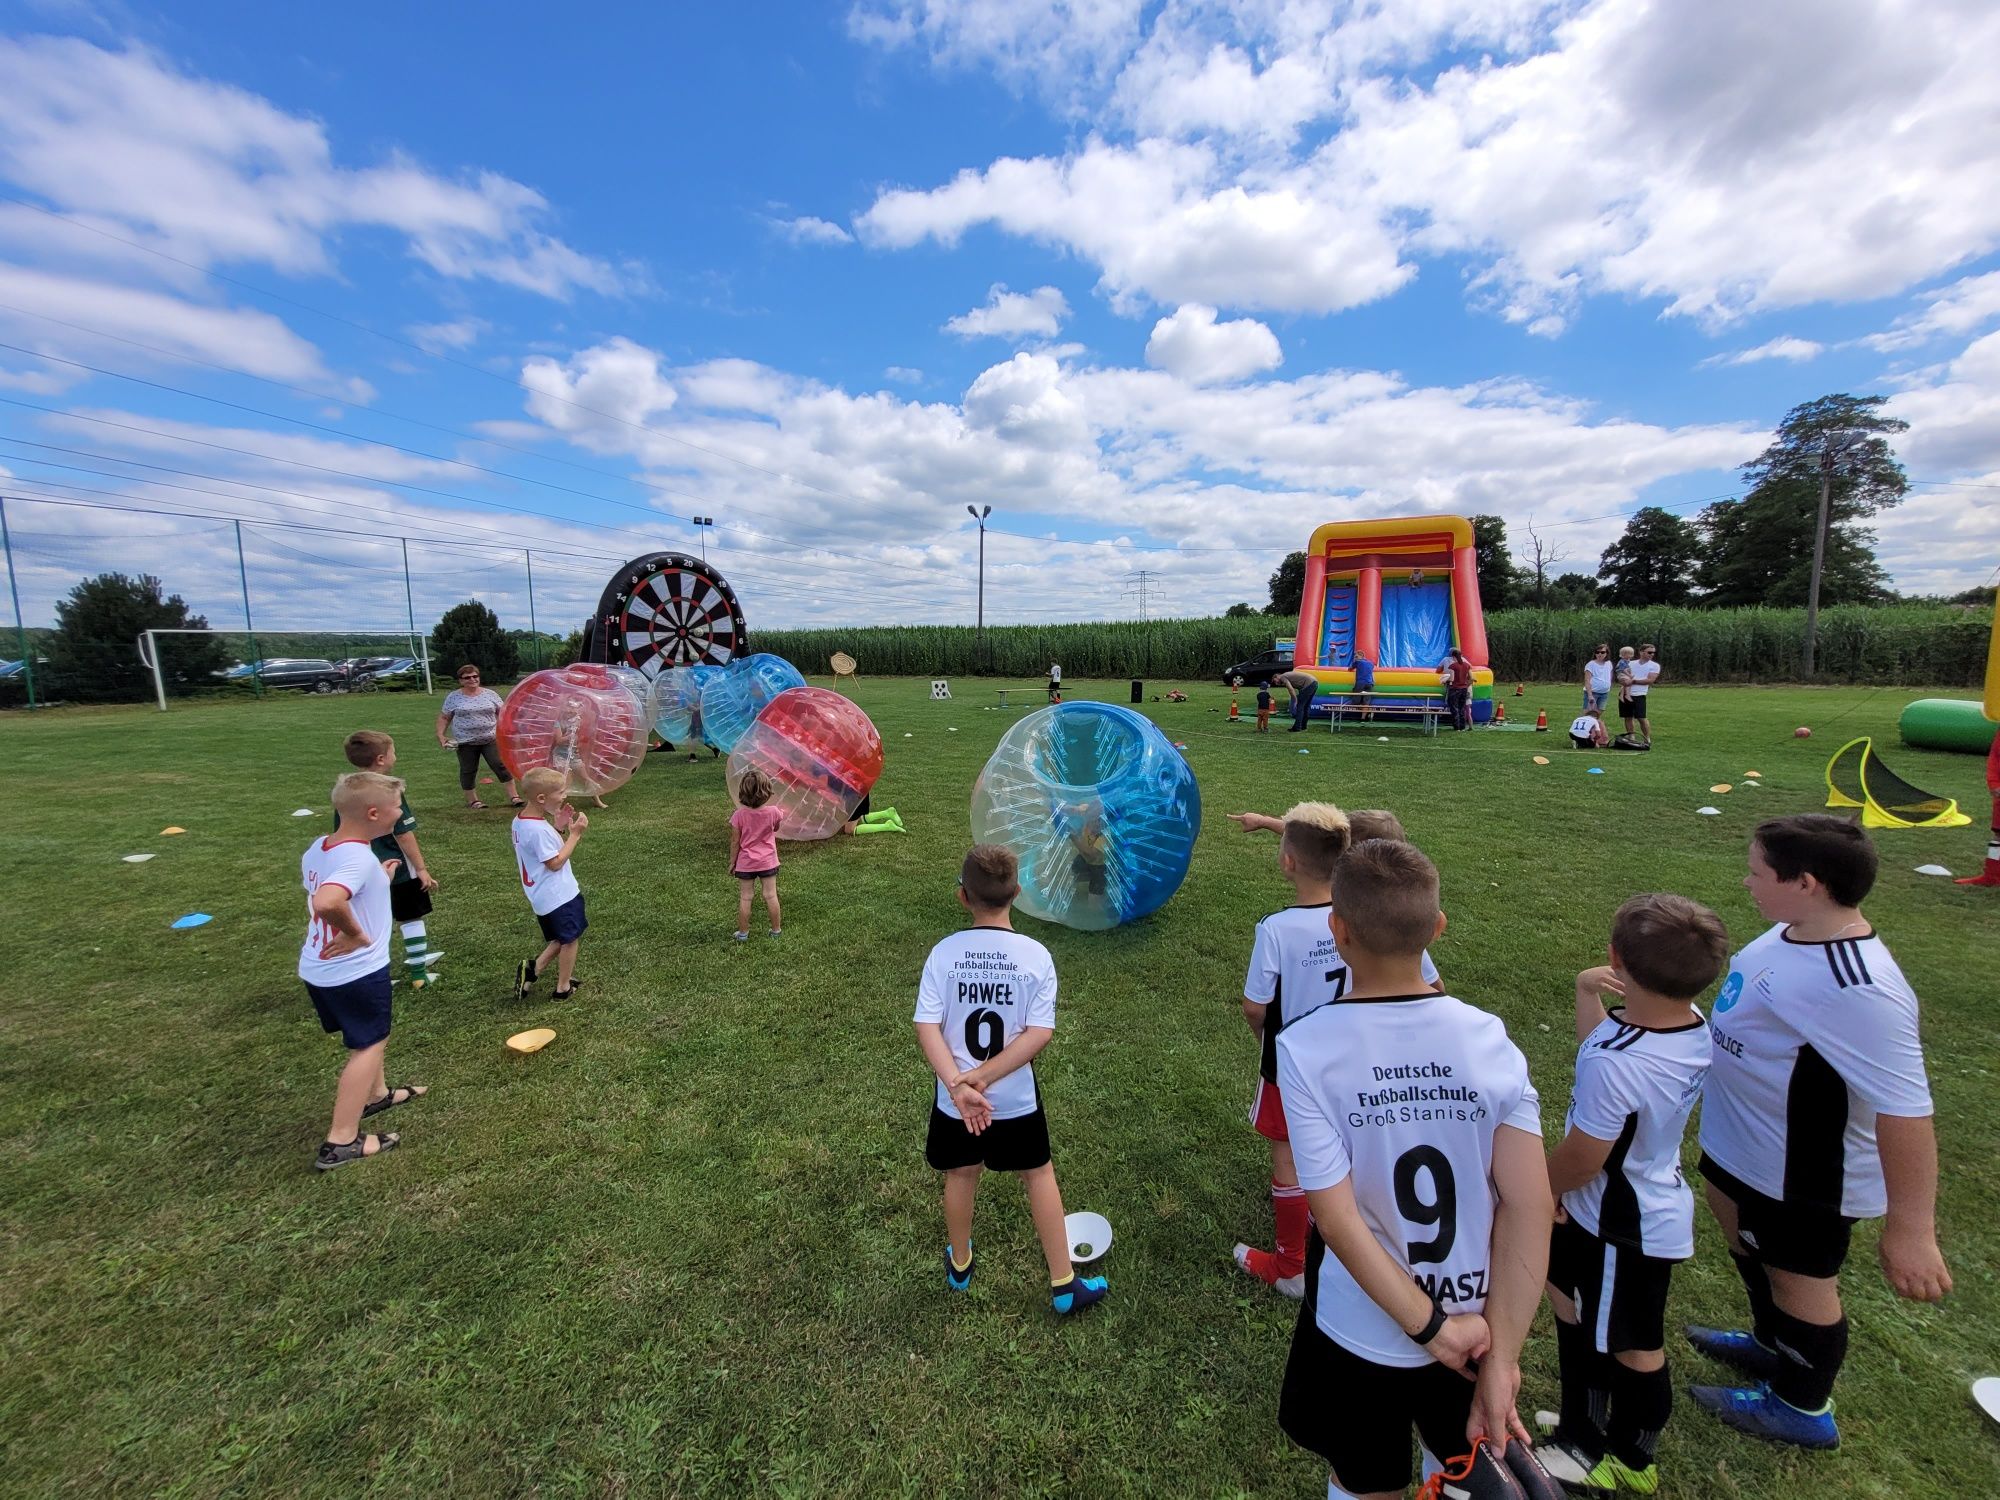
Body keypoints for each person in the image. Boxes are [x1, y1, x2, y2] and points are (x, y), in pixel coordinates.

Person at [1275, 840, 1552, 1500]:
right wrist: (1502, 1352)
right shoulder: (1491, 1039)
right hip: (1480, 1322)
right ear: (1438, 929)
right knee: (1460, 1471)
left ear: (1337, 930)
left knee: (1365, 1481)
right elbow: (1531, 1205)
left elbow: (1336, 1217)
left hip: (1365, 1330)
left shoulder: (1307, 1047)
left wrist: (1430, 1329)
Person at [1689, 815, 1949, 1448]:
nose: (1746, 881)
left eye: (1757, 872)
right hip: (1743, 1147)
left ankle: (1802, 1406)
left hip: (1801, 1172)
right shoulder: (1791, 931)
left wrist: (1912, 1231)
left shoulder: (1859, 987)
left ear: (1805, 883)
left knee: (1799, 1277)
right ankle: (1771, 1342)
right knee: (1753, 1250)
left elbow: (1906, 1109)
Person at [1536, 894, 1730, 1496]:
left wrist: (1539, 1188)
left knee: (1632, 1342)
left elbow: (1586, 1153)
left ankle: (1630, 1459)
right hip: (1610, 1208)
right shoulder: (1692, 1025)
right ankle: (1580, 1427)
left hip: (1625, 1224)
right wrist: (1587, 995)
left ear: (1617, 957)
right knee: (1570, 1301)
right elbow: (1605, 1050)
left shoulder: (1624, 1062)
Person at [1235, 804, 1442, 1299]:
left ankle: (1292, 1266)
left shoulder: (1278, 929)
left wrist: (1266, 1042)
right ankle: (1356, 1235)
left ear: (1288, 863)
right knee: (1352, 1142)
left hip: (1295, 1064)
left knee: (1287, 1155)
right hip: (1363, 1060)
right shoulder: (1376, 918)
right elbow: (1431, 987)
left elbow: (1252, 1007)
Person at [913, 844, 1107, 1315]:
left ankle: (960, 1263)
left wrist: (961, 1083)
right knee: (1038, 1173)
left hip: (955, 1101)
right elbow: (1040, 1032)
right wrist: (981, 1078)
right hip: (1015, 1100)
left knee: (961, 1173)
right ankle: (1063, 1283)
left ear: (963, 897)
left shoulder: (944, 952)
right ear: (1017, 893)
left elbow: (926, 1026)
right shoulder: (1035, 956)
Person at [298, 771, 428, 1171]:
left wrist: (380, 880)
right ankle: (341, 1140)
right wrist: (355, 934)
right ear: (374, 813)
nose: (399, 816)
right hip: (352, 971)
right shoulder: (357, 857)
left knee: (374, 1036)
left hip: (319, 967)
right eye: (396, 810)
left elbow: (335, 891)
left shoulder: (321, 847)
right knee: (368, 1045)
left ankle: (377, 1094)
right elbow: (327, 901)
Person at [342, 731, 441, 988]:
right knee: (410, 916)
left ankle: (377, 975)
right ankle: (419, 974)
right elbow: (403, 833)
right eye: (394, 751)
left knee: (372, 919)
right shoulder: (388, 790)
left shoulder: (346, 790)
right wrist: (421, 868)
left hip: (360, 867)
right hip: (395, 867)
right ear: (381, 759)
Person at [511, 767, 588, 1002]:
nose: (565, 795)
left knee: (560, 936)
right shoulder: (536, 830)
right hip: (557, 895)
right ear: (541, 798)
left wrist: (559, 827)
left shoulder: (521, 821)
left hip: (544, 895)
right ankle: (563, 988)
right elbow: (554, 863)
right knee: (569, 939)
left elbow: (540, 853)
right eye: (561, 791)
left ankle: (533, 970)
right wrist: (575, 834)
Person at [437, 664, 518, 810]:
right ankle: (473, 801)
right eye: (467, 677)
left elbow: (504, 713)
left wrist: (510, 731)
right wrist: (441, 735)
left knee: (500, 765)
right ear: (461, 681)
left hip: (490, 738)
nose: (472, 679)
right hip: (465, 741)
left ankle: (514, 797)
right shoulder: (454, 697)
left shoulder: (490, 694)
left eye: (475, 676)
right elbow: (444, 717)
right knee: (468, 770)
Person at [729, 768, 784, 940]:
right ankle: (776, 931)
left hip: (746, 863)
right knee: (771, 895)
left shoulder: (739, 816)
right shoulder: (774, 812)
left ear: (743, 792)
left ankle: (743, 933)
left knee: (746, 898)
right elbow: (775, 828)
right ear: (767, 791)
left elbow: (735, 842)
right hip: (768, 862)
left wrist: (733, 862)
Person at [1625, 644, 1661, 747]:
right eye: (1649, 652)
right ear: (1641, 652)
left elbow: (1650, 680)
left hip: (1640, 694)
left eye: (1653, 652)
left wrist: (1633, 681)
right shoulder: (1630, 663)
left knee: (1641, 717)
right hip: (1627, 693)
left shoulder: (1654, 666)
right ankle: (1631, 737)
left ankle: (1647, 738)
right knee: (1628, 717)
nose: (1652, 654)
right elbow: (1622, 676)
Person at [1439, 647, 1475, 732]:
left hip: (1455, 689)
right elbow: (1471, 677)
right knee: (1462, 708)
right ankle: (1462, 727)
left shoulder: (1453, 666)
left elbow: (1451, 679)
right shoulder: (1466, 665)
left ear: (1453, 657)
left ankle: (1456, 727)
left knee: (1454, 708)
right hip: (1464, 689)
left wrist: (1444, 680)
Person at [1274, 667, 1318, 732]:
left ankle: (1297, 728)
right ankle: (1303, 726)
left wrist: (1295, 700)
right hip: (1315, 682)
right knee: (1305, 707)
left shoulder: (1282, 677)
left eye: (1275, 681)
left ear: (1277, 676)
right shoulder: (1287, 675)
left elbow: (1291, 689)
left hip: (1309, 684)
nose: (1276, 683)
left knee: (1300, 707)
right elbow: (1299, 686)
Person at [1583, 644, 1613, 715]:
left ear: (1606, 653)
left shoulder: (1609, 663)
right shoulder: (1590, 664)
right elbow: (1587, 680)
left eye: (1602, 652)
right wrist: (1590, 695)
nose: (1599, 654)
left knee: (1598, 714)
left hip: (1604, 693)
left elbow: (1609, 676)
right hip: (1593, 693)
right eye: (1597, 652)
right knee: (1588, 713)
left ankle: (1595, 726)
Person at [1352, 655, 1376, 721]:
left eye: (1356, 656)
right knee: (1366, 702)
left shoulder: (1358, 662)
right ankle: (1363, 718)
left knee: (1355, 702)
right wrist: (1373, 681)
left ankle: (1368, 710)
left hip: (1360, 683)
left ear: (1361, 657)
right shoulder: (1371, 663)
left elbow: (1350, 668)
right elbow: (1371, 672)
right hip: (1369, 683)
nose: (1355, 658)